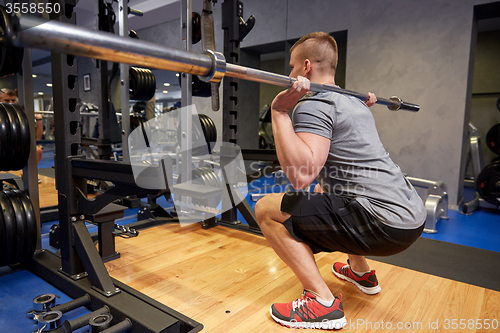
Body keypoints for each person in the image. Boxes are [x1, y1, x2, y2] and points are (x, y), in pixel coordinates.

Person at [254, 32, 426, 330]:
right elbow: (320, 178)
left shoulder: (315, 104)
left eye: (292, 67)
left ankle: (320, 303)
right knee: (329, 188)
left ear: (306, 67)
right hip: (411, 217)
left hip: (382, 223)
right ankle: (360, 272)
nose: (290, 74)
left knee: (266, 208)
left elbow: (299, 176)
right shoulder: (354, 104)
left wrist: (280, 111)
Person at [0, 88, 43, 180]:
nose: (11, 103)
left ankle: (28, 175)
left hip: (13, 148)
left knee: (37, 150)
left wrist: (39, 119)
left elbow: (37, 138)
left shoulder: (19, 116)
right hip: (2, 148)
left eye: (13, 100)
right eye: (6, 100)